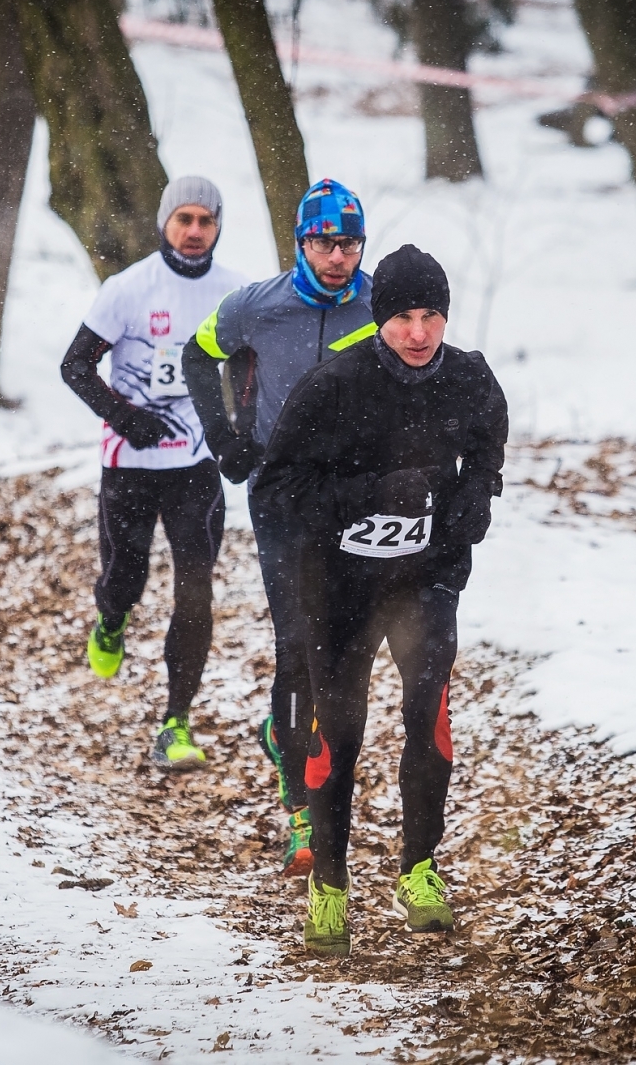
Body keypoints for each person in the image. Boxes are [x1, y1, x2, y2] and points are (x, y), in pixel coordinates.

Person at [255, 244, 508, 958]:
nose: (419, 333)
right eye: (403, 317)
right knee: (341, 734)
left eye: (431, 316)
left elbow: (487, 448)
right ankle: (329, 884)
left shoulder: (467, 380)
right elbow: (277, 488)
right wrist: (363, 496)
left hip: (422, 583)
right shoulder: (333, 387)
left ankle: (419, 871)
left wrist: (470, 508)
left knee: (428, 718)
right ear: (379, 318)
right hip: (341, 588)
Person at [180, 179, 375, 872]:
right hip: (281, 494)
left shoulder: (381, 305)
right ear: (300, 242)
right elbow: (197, 356)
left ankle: (295, 742)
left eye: (349, 243)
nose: (337, 257)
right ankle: (301, 807)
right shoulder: (258, 307)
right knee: (297, 642)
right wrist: (227, 440)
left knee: (344, 650)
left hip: (358, 498)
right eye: (324, 242)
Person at [60, 176, 250, 769]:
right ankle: (110, 620)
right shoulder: (128, 289)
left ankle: (177, 721)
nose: (194, 232)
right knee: (127, 577)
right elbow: (75, 367)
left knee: (195, 590)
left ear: (218, 227)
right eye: (184, 219)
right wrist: (126, 418)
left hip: (195, 466)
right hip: (131, 465)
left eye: (205, 221)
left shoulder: (234, 294)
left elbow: (249, 369)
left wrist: (238, 430)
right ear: (165, 223)